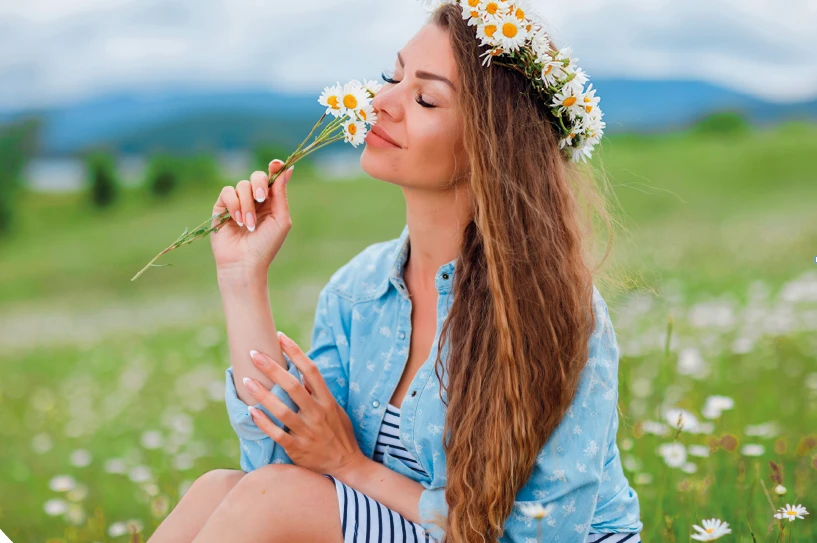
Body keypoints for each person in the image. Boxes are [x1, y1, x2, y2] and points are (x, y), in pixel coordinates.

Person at [148, 3, 642, 543]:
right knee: (218, 488)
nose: (380, 103)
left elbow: (544, 534)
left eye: (425, 97)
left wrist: (354, 468)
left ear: (492, 146)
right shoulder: (359, 291)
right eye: (392, 77)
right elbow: (276, 461)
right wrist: (242, 278)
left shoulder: (555, 310)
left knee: (275, 499)